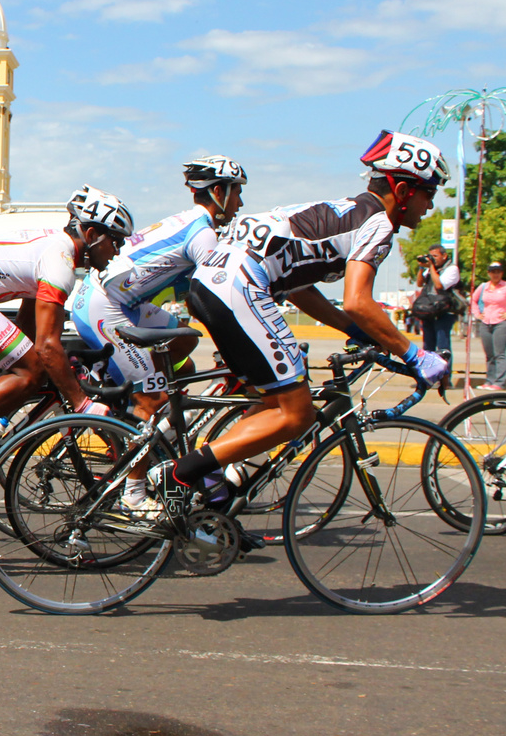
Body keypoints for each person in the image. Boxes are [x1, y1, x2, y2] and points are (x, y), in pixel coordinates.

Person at [167, 130, 451, 521]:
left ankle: (211, 492)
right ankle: (178, 476)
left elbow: (301, 290)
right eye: (428, 195)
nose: (429, 206)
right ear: (403, 190)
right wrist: (414, 353)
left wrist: (354, 331)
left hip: (211, 286)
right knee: (297, 414)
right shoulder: (378, 224)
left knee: (270, 401)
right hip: (239, 287)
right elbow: (359, 300)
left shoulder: (339, 209)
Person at [0, 185, 132, 484]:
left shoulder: (50, 248)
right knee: (32, 371)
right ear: (93, 235)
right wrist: (82, 403)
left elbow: (27, 326)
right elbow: (46, 346)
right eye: (116, 241)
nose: (118, 251)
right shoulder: (60, 259)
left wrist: (35, 367)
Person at [68, 155, 245, 513]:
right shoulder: (204, 234)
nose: (240, 203)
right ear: (219, 192)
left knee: (185, 345)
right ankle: (133, 493)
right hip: (106, 306)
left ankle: (139, 412)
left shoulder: (194, 222)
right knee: (151, 399)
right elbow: (210, 300)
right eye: (237, 193)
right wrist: (237, 347)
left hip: (121, 301)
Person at [470, 261, 506, 390]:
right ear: (489, 273)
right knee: (489, 354)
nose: (495, 275)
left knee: (499, 353)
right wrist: (477, 314)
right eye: (493, 272)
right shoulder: (484, 286)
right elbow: (473, 300)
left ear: (502, 273)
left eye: (498, 272)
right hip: (486, 322)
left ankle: (499, 382)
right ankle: (489, 380)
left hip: (500, 322)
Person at [410, 244, 461, 356]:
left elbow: (439, 285)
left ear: (444, 256)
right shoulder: (430, 270)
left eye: (435, 256)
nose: (433, 259)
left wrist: (431, 267)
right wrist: (422, 267)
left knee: (442, 344)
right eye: (431, 256)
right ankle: (431, 370)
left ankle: (444, 372)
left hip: (444, 311)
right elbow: (419, 283)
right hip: (430, 310)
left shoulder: (452, 268)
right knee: (428, 345)